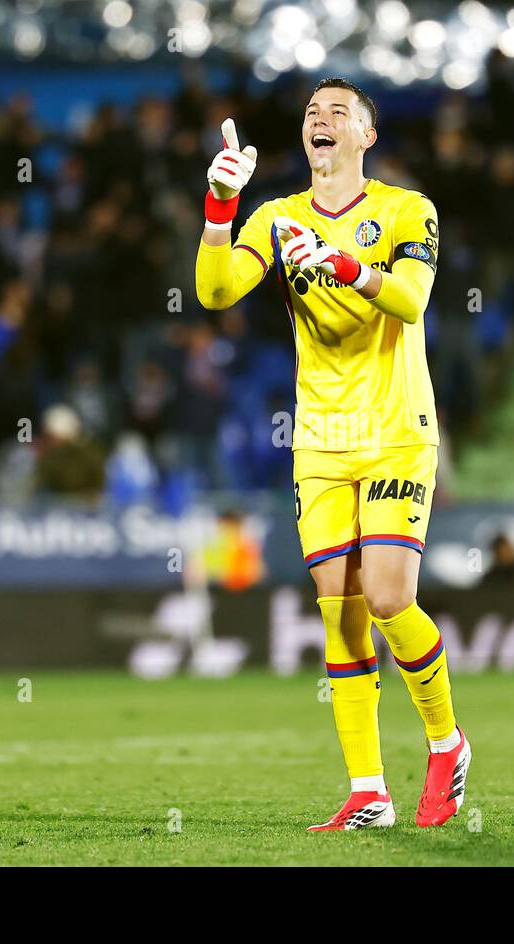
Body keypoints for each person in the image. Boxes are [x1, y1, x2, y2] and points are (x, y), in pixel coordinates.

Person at [194, 78, 468, 831]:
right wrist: (219, 211)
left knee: (387, 596)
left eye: (338, 112)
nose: (321, 120)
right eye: (312, 113)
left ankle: (446, 742)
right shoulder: (276, 217)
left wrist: (343, 264)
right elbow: (215, 293)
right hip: (319, 439)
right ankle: (368, 791)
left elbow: (411, 300)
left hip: (395, 429)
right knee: (341, 617)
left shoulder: (408, 209)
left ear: (366, 136)